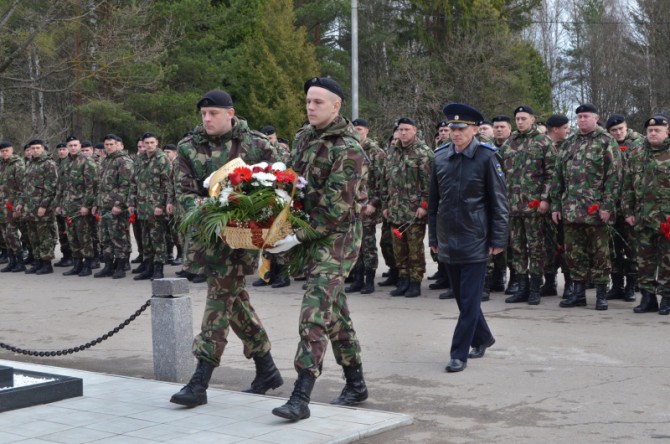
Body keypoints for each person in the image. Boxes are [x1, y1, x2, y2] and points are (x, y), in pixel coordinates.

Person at [170, 89, 283, 408]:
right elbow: (184, 193)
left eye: (213, 114)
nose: (206, 119)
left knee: (219, 301)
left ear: (230, 113)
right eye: (203, 114)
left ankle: (200, 380)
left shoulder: (257, 145)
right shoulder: (188, 147)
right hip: (207, 238)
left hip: (240, 240)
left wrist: (247, 208)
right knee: (235, 303)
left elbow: (277, 187)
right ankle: (267, 368)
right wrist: (212, 204)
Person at [269, 77, 369, 420]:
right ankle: (356, 382)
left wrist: (296, 237)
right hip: (309, 233)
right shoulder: (302, 138)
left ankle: (301, 395)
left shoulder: (349, 148)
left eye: (318, 102)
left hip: (338, 238)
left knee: (314, 311)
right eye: (308, 101)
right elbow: (292, 184)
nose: (310, 107)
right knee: (334, 312)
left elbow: (335, 208)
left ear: (336, 106)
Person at [428, 102, 508, 373]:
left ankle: (458, 354)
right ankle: (484, 337)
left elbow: (499, 202)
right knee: (463, 298)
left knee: (470, 300)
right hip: (447, 238)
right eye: (452, 128)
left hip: (476, 238)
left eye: (461, 128)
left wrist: (498, 240)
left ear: (474, 130)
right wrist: (432, 238)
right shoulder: (439, 157)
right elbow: (433, 203)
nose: (456, 133)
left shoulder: (487, 157)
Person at [551, 104, 623, 310]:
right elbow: (558, 176)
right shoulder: (569, 143)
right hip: (571, 210)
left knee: (600, 254)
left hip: (596, 210)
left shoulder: (606, 141)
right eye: (579, 117)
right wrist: (556, 205)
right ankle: (578, 293)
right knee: (574, 254)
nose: (581, 120)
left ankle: (601, 294)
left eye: (585, 116)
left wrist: (607, 206)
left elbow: (614, 177)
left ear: (595, 118)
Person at [501, 105, 554, 305]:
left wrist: (545, 199)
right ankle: (521, 287)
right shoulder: (510, 142)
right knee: (516, 247)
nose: (520, 122)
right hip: (512, 205)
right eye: (518, 118)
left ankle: (535, 288)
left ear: (533, 119)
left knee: (536, 248)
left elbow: (551, 173)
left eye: (524, 118)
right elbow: (501, 173)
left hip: (534, 206)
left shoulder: (543, 141)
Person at [622, 114, 670, 314]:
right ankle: (648, 298)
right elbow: (627, 184)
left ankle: (667, 297)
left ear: (667, 132)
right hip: (643, 216)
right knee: (644, 260)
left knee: (668, 260)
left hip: (667, 218)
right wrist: (628, 211)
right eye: (650, 130)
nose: (653, 133)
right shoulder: (637, 151)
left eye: (657, 130)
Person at [382, 117, 433, 298]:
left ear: (415, 130)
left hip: (414, 211)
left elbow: (429, 184)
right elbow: (385, 180)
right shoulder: (392, 152)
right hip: (395, 209)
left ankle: (415, 281)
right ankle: (403, 279)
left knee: (414, 249)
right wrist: (385, 204)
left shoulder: (423, 152)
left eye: (407, 130)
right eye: (401, 130)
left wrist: (424, 206)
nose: (403, 133)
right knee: (399, 249)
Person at [345, 117, 385, 295]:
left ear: (367, 131)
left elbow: (383, 182)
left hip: (368, 206)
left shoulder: (376, 152)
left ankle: (369, 280)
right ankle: (357, 278)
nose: (356, 131)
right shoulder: (350, 150)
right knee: (355, 245)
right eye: (354, 128)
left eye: (360, 128)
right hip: (352, 206)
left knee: (368, 245)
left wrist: (374, 203)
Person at [605, 114, 643, 302]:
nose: (618, 133)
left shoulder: (639, 144)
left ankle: (631, 285)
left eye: (621, 129)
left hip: (631, 205)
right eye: (614, 130)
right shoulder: (606, 145)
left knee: (632, 247)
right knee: (613, 248)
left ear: (627, 127)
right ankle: (617, 284)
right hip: (612, 205)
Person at [129, 132, 170, 281]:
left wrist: (161, 205)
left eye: (152, 142)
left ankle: (158, 269)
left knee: (157, 238)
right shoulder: (139, 159)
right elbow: (134, 182)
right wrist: (131, 202)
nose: (149, 145)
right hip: (142, 206)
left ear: (157, 142)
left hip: (156, 207)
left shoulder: (162, 159)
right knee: (145, 238)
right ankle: (148, 267)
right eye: (147, 143)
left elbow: (167, 184)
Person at [56, 135, 98, 277]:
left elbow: (91, 186)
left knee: (84, 236)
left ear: (80, 146)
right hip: (68, 206)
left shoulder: (87, 161)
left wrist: (87, 205)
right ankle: (77, 263)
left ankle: (88, 264)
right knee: (72, 237)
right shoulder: (65, 162)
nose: (73, 148)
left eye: (75, 145)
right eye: (70, 146)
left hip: (81, 207)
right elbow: (61, 186)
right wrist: (59, 203)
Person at [93, 134, 133, 279]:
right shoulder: (105, 161)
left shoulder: (123, 161)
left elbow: (125, 185)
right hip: (104, 206)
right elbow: (101, 185)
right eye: (107, 144)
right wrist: (96, 204)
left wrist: (119, 204)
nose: (109, 147)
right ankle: (108, 265)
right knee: (105, 237)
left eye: (112, 144)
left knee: (118, 237)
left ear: (118, 145)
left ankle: (121, 266)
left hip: (116, 207)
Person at [16, 140, 58, 275]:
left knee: (44, 236)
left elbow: (51, 188)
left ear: (43, 149)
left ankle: (46, 264)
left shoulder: (49, 164)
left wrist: (44, 206)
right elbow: (25, 187)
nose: (35, 150)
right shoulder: (29, 164)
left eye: (37, 148)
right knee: (33, 236)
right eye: (32, 148)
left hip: (42, 208)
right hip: (29, 207)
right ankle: (37, 261)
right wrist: (21, 203)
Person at [544, 114, 572, 299]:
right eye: (565, 127)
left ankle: (570, 283)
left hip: (563, 205)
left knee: (565, 244)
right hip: (544, 205)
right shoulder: (542, 146)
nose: (568, 130)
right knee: (548, 245)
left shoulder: (570, 146)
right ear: (555, 129)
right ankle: (549, 281)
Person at [0, 141, 26, 273]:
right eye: (2, 151)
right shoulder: (1, 165)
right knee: (5, 235)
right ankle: (12, 261)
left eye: (6, 150)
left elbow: (22, 188)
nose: (4, 153)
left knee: (12, 234)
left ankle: (20, 261)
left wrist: (18, 206)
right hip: (1, 206)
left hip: (12, 205)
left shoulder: (18, 165)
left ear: (12, 150)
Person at [53, 143, 73, 268]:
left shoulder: (70, 163)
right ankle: (65, 255)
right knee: (61, 231)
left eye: (64, 149)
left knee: (69, 231)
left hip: (69, 202)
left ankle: (71, 256)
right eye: (59, 149)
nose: (61, 152)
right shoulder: (56, 164)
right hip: (59, 201)